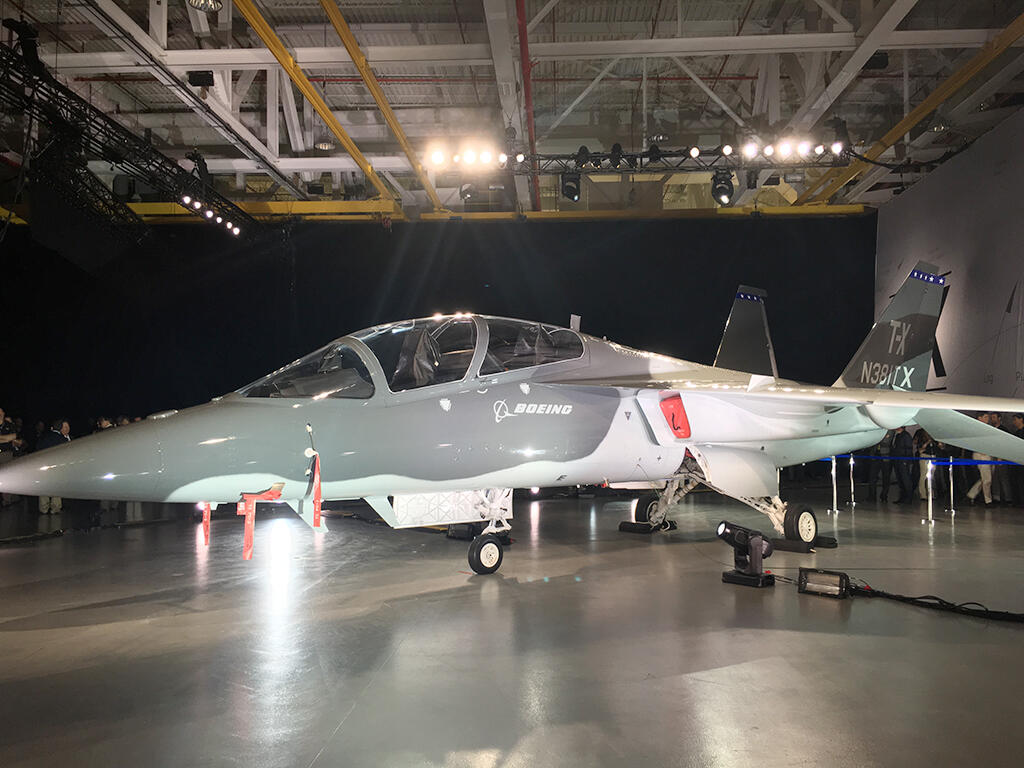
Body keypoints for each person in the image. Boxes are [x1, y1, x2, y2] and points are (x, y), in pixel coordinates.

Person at [36, 419, 70, 514]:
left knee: (44, 486)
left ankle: (43, 508)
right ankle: (55, 508)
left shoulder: (44, 437)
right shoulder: (62, 439)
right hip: (57, 466)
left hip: (44, 465)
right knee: (56, 486)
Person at [967, 413, 994, 506]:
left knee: (985, 478)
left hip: (989, 454)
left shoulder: (988, 428)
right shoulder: (975, 429)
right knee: (987, 479)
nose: (988, 419)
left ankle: (971, 494)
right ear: (980, 418)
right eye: (985, 417)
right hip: (981, 455)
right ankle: (988, 500)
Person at [0, 406, 24, 506]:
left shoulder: (9, 425)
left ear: (3, 413)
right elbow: (10, 439)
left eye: (1, 411)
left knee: (6, 476)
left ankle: (7, 500)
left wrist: (6, 439)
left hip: (6, 453)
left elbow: (15, 437)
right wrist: (7, 439)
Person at [990, 412, 1014, 505]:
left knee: (1003, 477)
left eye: (994, 417)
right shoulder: (991, 429)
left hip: (1001, 456)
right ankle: (997, 497)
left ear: (999, 418)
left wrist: (1001, 456)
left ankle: (1008, 498)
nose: (992, 419)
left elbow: (1005, 444)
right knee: (995, 477)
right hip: (993, 455)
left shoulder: (1004, 430)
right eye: (991, 417)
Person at [867, 430, 895, 502]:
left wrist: (877, 440)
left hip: (885, 457)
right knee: (872, 477)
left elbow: (886, 442)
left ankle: (884, 495)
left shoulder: (890, 430)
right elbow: (871, 441)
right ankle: (872, 496)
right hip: (875, 456)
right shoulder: (876, 430)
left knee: (886, 478)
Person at [892, 426, 914, 504]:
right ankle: (902, 497)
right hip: (897, 460)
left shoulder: (906, 435)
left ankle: (909, 498)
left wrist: (906, 460)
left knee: (905, 479)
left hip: (903, 460)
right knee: (900, 479)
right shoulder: (898, 435)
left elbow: (908, 449)